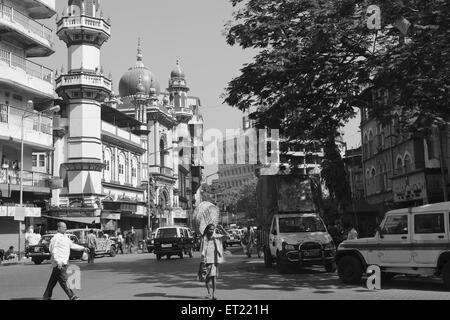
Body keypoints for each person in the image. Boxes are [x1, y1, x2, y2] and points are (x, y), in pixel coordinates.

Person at [43, 222, 89, 300]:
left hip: (64, 261)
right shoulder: (56, 238)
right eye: (64, 227)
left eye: (66, 227)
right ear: (58, 228)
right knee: (63, 280)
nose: (65, 228)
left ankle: (46, 295)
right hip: (60, 263)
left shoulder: (65, 237)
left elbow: (72, 245)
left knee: (53, 281)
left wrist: (83, 248)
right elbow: (53, 250)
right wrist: (58, 261)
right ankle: (72, 296)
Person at [199, 224, 226, 300]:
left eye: (213, 229)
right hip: (205, 260)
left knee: (214, 277)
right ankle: (209, 293)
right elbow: (202, 250)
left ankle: (214, 294)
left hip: (214, 261)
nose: (211, 230)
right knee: (207, 278)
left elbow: (227, 236)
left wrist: (222, 228)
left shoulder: (217, 237)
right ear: (207, 229)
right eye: (210, 229)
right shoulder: (204, 238)